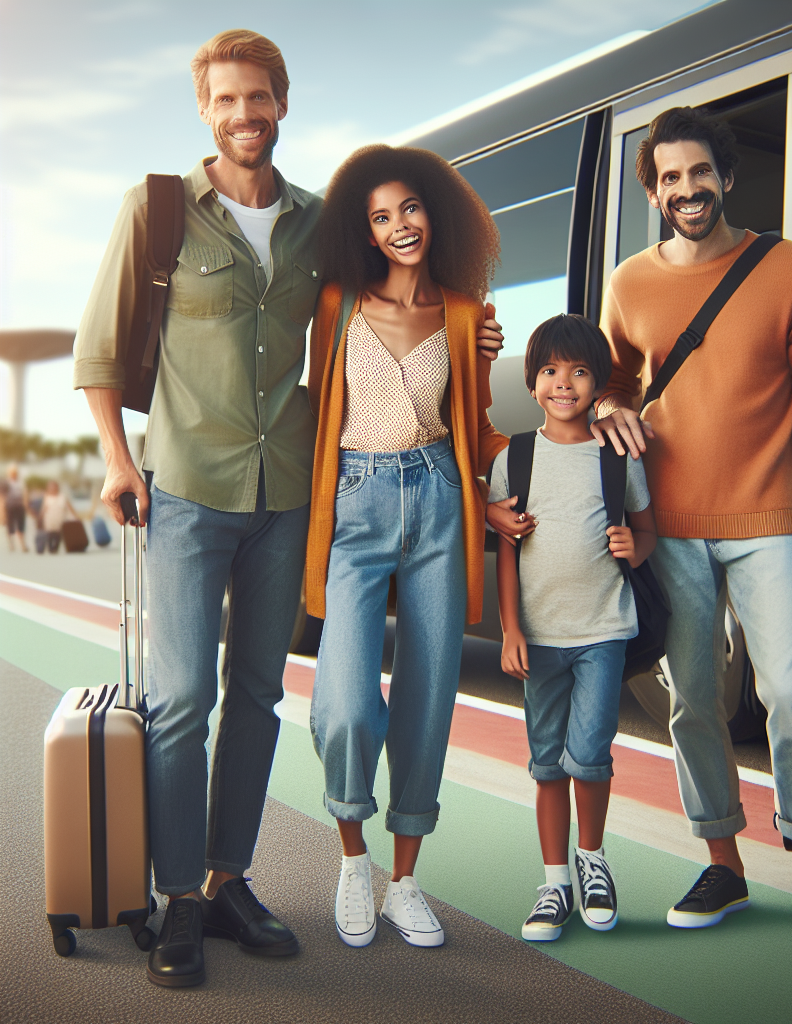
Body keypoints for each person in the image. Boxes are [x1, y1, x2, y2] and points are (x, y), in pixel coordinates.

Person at [73, 31, 505, 988]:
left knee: (262, 697)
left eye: (259, 98)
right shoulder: (156, 215)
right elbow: (100, 354)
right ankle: (178, 895)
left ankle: (231, 880)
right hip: (185, 489)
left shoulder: (319, 225)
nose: (244, 115)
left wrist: (487, 333)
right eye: (227, 100)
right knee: (186, 702)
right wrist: (117, 462)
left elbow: (408, 288)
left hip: (294, 499)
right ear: (205, 110)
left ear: (281, 103)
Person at [592, 106, 792, 950]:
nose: (687, 188)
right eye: (669, 177)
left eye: (699, 172)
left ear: (726, 176)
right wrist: (612, 407)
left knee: (789, 690)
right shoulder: (629, 283)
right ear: (654, 191)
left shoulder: (789, 267)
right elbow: (610, 382)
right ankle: (722, 859)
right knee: (690, 703)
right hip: (669, 523)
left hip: (768, 517)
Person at [306, 145, 513, 949]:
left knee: (428, 702)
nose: (399, 227)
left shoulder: (467, 315)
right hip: (354, 504)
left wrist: (493, 500)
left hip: (438, 503)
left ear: (437, 212)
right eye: (381, 217)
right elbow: (311, 407)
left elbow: (478, 428)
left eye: (410, 210)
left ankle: (404, 882)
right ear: (363, 232)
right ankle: (352, 859)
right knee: (347, 706)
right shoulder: (338, 305)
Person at [490, 314, 656, 942]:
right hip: (539, 637)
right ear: (533, 382)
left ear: (598, 383)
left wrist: (632, 547)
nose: (565, 383)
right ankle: (554, 881)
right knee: (546, 763)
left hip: (603, 630)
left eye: (580, 371)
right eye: (552, 371)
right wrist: (509, 629)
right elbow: (505, 549)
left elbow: (646, 532)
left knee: (589, 757)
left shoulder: (617, 455)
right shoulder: (516, 457)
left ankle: (594, 863)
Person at [40, 480, 78, 553]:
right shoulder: (47, 497)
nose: (53, 489)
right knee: (50, 534)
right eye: (51, 487)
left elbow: (70, 508)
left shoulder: (62, 497)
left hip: (60, 519)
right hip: (49, 519)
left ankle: (55, 548)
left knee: (58, 534)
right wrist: (40, 518)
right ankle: (50, 548)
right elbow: (43, 508)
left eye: (54, 487)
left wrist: (76, 517)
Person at [4, 465, 28, 553]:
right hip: (10, 506)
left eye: (15, 473)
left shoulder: (21, 482)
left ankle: (23, 545)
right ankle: (11, 544)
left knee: (21, 525)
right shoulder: (6, 482)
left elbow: (25, 492)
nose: (13, 474)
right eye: (12, 473)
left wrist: (25, 503)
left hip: (19, 505)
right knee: (10, 525)